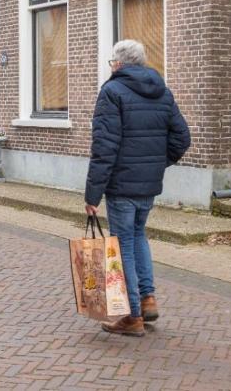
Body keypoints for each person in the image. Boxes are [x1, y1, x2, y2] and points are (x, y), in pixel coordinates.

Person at [84, 40, 191, 337]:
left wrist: (92, 195)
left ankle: (132, 316)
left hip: (121, 185)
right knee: (139, 237)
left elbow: (104, 149)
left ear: (118, 64)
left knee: (123, 246)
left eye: (111, 63)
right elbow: (182, 139)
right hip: (148, 185)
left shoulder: (111, 92)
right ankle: (147, 299)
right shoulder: (162, 91)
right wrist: (156, 164)